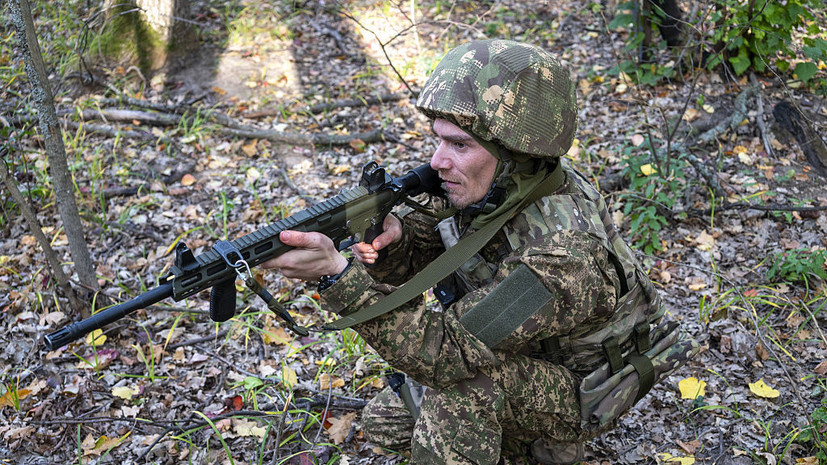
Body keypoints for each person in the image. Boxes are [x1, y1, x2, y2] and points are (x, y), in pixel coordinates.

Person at [263, 39, 670, 464]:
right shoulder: (500, 185)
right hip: (527, 350)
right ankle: (517, 445)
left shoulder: (564, 256)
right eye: (438, 140)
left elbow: (446, 352)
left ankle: (553, 442)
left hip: (586, 386)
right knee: (388, 422)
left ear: (515, 152)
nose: (438, 161)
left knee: (459, 391)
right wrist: (395, 238)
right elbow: (436, 248)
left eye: (459, 145)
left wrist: (336, 275)